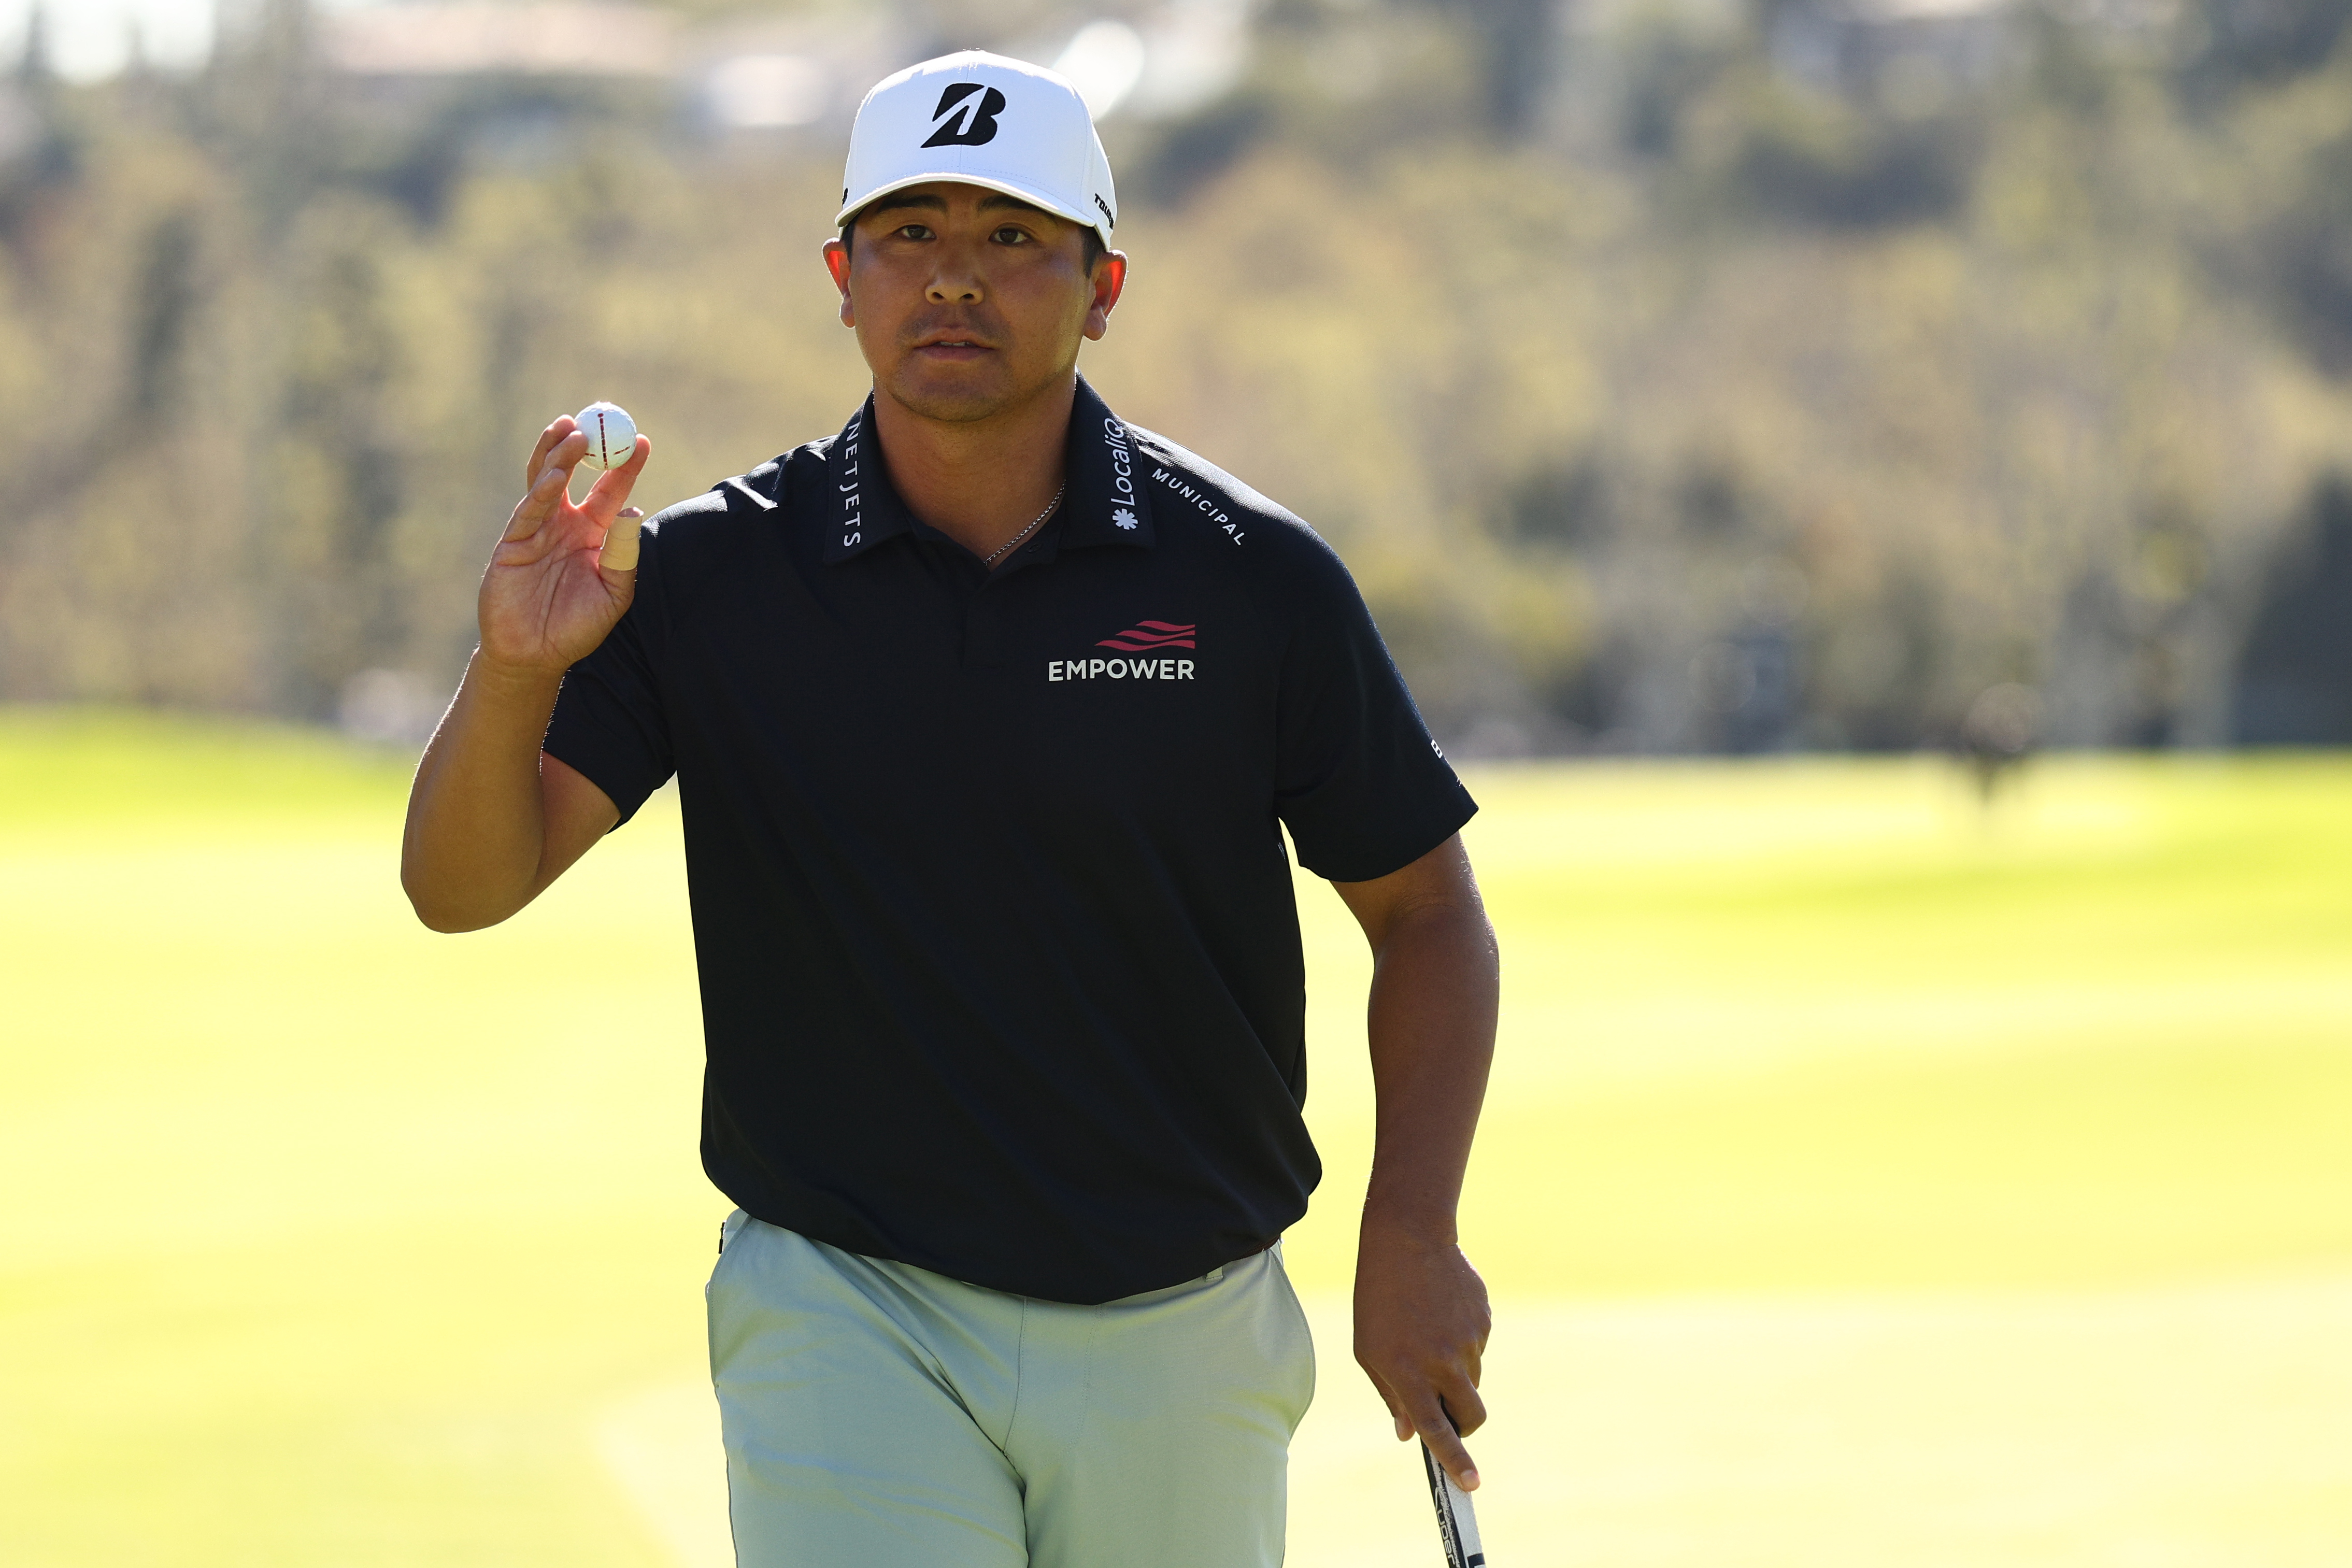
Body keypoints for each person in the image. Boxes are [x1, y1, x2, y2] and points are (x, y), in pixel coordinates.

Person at [402, 50, 1498, 1568]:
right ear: (840, 276)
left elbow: (1426, 910)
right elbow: (465, 882)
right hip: (846, 1304)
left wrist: (1410, 1233)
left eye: (1010, 239)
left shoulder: (1249, 582)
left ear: (1103, 283)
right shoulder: (712, 578)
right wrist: (515, 667)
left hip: (1179, 1311)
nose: (953, 282)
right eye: (910, 234)